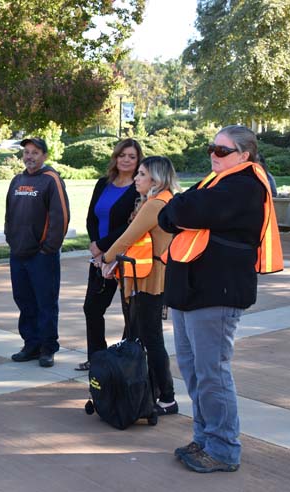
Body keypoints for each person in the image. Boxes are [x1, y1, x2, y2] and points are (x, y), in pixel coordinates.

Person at [158, 125, 283, 473]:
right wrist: (180, 208)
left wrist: (181, 208)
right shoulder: (214, 183)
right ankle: (205, 438)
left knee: (212, 372)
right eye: (212, 147)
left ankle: (224, 449)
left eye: (223, 150)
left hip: (216, 292)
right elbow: (168, 215)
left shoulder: (244, 185)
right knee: (194, 370)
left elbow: (180, 212)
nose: (214, 154)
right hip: (192, 291)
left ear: (244, 155)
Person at [99, 156, 179, 415]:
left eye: (141, 174)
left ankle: (166, 397)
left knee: (150, 336)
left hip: (150, 277)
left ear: (155, 179)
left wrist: (105, 258)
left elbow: (127, 238)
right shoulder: (165, 199)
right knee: (142, 333)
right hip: (152, 273)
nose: (136, 178)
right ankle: (148, 390)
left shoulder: (155, 204)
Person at [77, 138, 142, 371]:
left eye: (131, 157)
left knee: (131, 312)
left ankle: (127, 360)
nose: (125, 160)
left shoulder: (139, 187)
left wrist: (103, 244)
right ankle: (97, 358)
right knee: (92, 308)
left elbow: (131, 225)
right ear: (115, 157)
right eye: (122, 155)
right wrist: (95, 244)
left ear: (138, 161)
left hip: (124, 258)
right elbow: (91, 217)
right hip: (99, 258)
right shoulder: (103, 183)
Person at [5, 137, 69, 368]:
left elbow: (60, 217)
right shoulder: (17, 180)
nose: (30, 156)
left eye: (35, 152)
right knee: (24, 300)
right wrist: (10, 239)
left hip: (42, 256)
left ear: (44, 156)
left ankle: (47, 347)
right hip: (18, 253)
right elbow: (9, 214)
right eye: (27, 152)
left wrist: (48, 249)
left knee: (45, 302)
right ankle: (31, 344)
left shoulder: (51, 180)